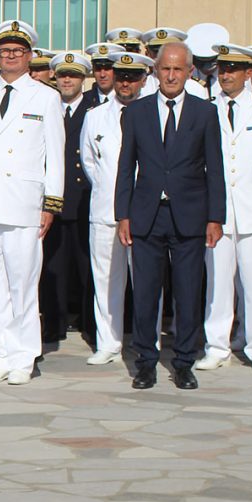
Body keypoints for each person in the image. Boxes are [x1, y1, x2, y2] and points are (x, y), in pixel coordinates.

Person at [115, 41, 226, 390]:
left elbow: (215, 169)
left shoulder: (204, 113)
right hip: (147, 215)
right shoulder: (137, 112)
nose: (172, 75)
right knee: (146, 293)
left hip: (190, 216)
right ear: (156, 71)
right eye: (166, 69)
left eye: (179, 69)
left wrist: (215, 217)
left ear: (189, 71)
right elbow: (125, 166)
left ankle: (183, 363)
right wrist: (123, 214)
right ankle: (145, 362)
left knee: (188, 292)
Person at [0, 20, 64, 385]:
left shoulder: (46, 97)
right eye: (4, 52)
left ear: (29, 56)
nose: (10, 58)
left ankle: (24, 356)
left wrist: (50, 205)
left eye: (17, 52)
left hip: (23, 204)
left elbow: (55, 155)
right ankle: (1, 354)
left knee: (22, 284)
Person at [80, 51, 152, 366]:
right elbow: (89, 161)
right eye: (121, 77)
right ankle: (108, 341)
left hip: (146, 212)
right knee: (107, 279)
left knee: (147, 283)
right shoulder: (95, 115)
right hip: (105, 211)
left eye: (132, 77)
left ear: (144, 79)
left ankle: (147, 342)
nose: (125, 83)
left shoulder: (155, 113)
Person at [196, 44, 252, 371]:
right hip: (216, 213)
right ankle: (216, 346)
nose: (227, 75)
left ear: (249, 73)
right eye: (223, 69)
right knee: (217, 283)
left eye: (234, 69)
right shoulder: (207, 110)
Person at [40, 52, 95, 344]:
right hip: (54, 200)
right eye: (62, 75)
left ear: (83, 79)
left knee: (87, 267)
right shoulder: (47, 106)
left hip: (83, 196)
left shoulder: (95, 108)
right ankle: (53, 323)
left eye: (73, 75)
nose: (67, 80)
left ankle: (90, 323)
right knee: (53, 268)